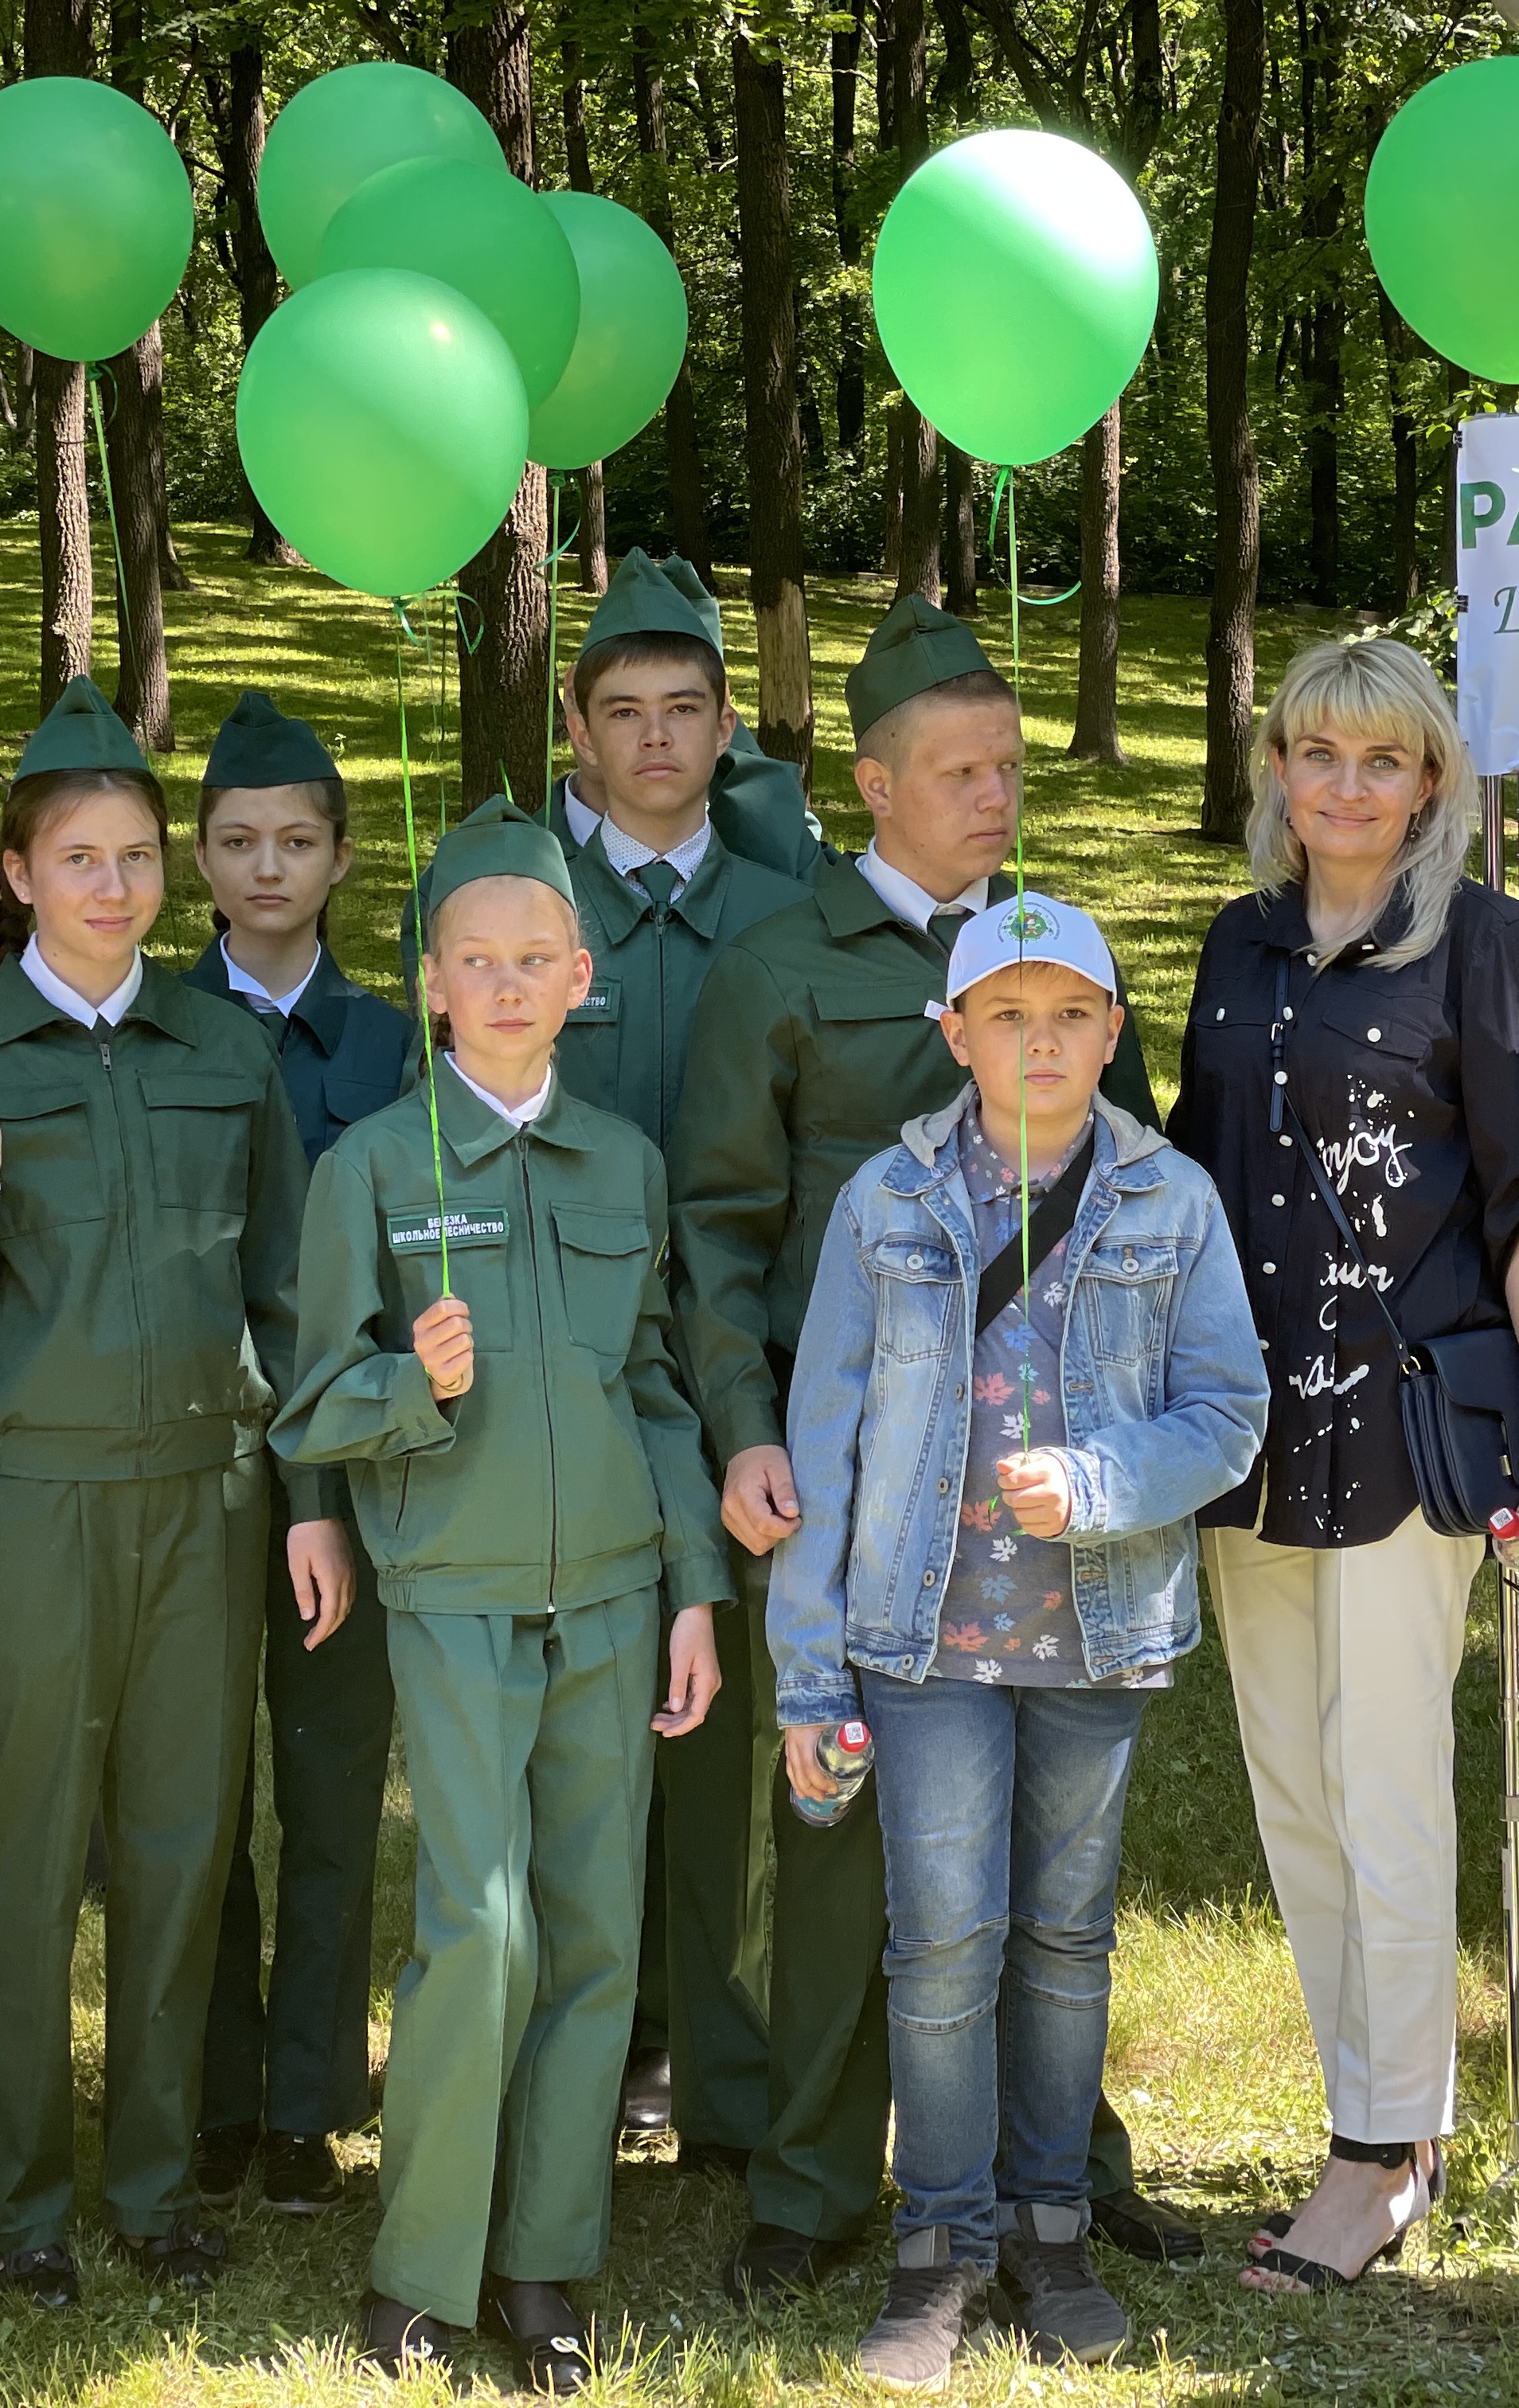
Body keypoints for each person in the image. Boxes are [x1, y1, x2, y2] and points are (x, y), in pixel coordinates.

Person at [671, 593, 1191, 2299]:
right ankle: (816, 2180)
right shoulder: (779, 964)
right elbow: (723, 1226)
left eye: (1008, 768)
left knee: (1051, 1856)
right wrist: (747, 1431)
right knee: (843, 1825)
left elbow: (1135, 1178)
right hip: (860, 1471)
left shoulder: (1060, 953)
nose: (995, 798)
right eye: (960, 771)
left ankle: (1064, 2168)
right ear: (875, 787)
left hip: (1043, 1472)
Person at [0, 677, 356, 2307]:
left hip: (206, 1503)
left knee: (179, 1844)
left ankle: (152, 2183)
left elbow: (285, 1293)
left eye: (138, 856)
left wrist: (304, 1497)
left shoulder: (223, 1046)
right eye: (77, 857)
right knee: (20, 1848)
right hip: (31, 1505)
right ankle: (2, 2196)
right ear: (17, 874)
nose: (113, 886)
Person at [773, 894, 1267, 2384]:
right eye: (1006, 1014)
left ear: (1116, 1034)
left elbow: (1230, 1413)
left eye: (1070, 1016)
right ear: (954, 1033)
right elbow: (828, 1434)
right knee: (939, 1944)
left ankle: (1051, 2224)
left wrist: (1104, 1485)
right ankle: (940, 2247)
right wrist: (811, 1665)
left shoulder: (1173, 1202)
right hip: (920, 1641)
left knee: (1062, 1941)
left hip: (1094, 1636)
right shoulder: (888, 1202)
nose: (1038, 1042)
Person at [274, 797, 725, 2386]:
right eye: (481, 959)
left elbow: (661, 1392)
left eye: (540, 957)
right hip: (453, 1596)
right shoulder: (377, 1167)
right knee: (479, 1925)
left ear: (583, 974)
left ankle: (545, 2266)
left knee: (598, 1935)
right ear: (436, 986)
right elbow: (306, 1402)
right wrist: (411, 1380)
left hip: (610, 1596)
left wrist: (690, 1588)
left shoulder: (626, 1163)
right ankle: (419, 2266)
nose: (514, 983)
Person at [1167, 635, 1519, 2296]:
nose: (1346, 787)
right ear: (1277, 768)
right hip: (1246, 1434)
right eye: (1316, 753)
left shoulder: (1476, 942)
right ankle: (1373, 2115)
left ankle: (1384, 2149)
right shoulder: (1236, 943)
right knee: (1295, 1792)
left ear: (1430, 784)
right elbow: (1188, 1197)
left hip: (1409, 1426)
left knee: (1392, 1783)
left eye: (1383, 760)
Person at [539, 549, 815, 2150]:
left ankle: (712, 2056)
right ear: (576, 724)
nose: (654, 740)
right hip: (552, 1372)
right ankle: (586, 2036)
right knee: (576, 1714)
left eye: (685, 710)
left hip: (730, 1366)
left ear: (726, 729)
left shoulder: (785, 915)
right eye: (622, 711)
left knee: (714, 1728)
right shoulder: (510, 901)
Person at [182, 690, 416, 2218]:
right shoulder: (153, 1027)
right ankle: (209, 2094)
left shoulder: (397, 1041)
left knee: (332, 1788)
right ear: (198, 858)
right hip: (195, 1467)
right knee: (197, 1790)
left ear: (338, 860)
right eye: (237, 841)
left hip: (357, 1466)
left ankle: (312, 2106)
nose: (268, 868)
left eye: (297, 842)